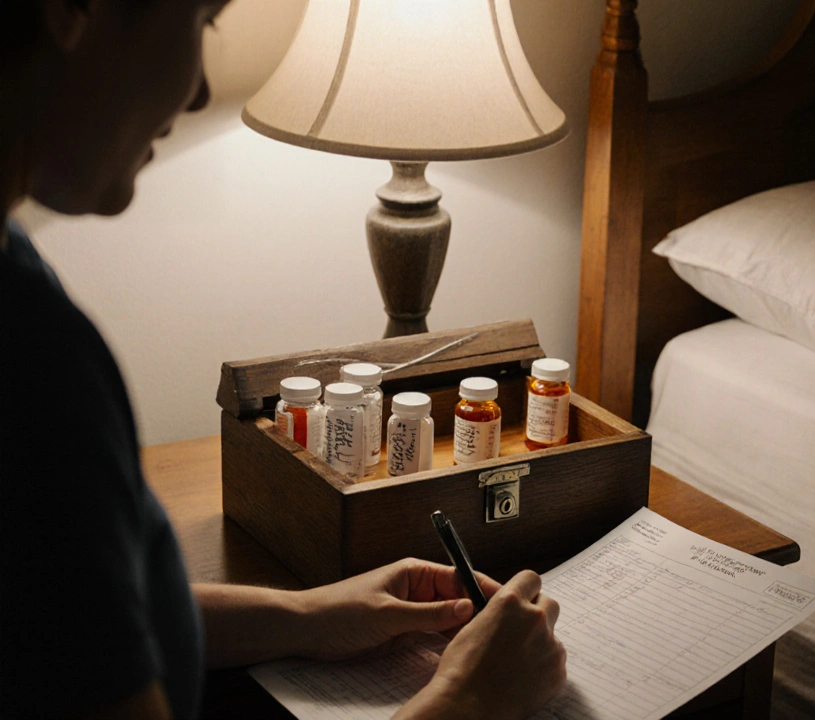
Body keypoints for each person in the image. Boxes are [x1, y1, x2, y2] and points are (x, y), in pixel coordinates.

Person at [0, 1, 566, 718]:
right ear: (69, 12)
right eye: (202, 22)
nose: (201, 91)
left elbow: (66, 614)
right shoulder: (34, 376)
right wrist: (470, 696)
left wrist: (307, 616)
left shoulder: (19, 273)